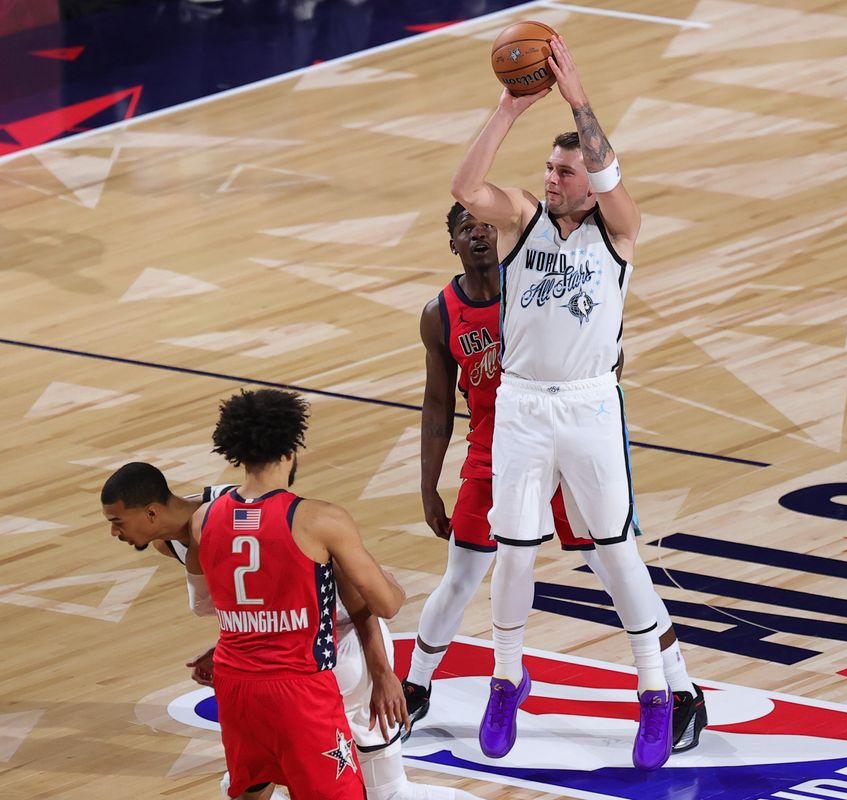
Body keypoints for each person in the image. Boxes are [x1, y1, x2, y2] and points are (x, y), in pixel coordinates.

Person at [402, 202, 706, 754]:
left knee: (617, 568)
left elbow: (606, 351)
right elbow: (437, 405)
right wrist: (428, 485)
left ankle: (679, 690)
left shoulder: (539, 276)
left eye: (486, 225)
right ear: (451, 243)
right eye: (465, 229)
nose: (478, 236)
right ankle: (417, 687)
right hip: (497, 453)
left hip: (569, 443)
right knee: (464, 575)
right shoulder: (441, 313)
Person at [450, 35, 674, 770]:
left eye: (565, 169)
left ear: (592, 179)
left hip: (587, 406)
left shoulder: (620, 230)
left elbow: (612, 179)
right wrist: (509, 109)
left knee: (616, 551)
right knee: (513, 555)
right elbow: (464, 186)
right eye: (548, 167)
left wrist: (579, 101)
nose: (551, 178)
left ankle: (653, 694)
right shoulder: (520, 219)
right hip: (520, 406)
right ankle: (506, 679)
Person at [103, 461, 484, 799]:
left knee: (385, 793)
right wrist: (229, 647)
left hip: (345, 643)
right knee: (255, 780)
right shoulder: (173, 538)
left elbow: (362, 601)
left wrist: (384, 673)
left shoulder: (234, 515)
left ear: (151, 513)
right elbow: (252, 603)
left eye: (118, 522)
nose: (114, 534)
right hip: (288, 665)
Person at [188, 388, 405, 799]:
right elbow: (387, 604)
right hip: (298, 689)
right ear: (291, 446)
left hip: (236, 684)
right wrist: (389, 578)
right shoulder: (319, 519)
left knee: (252, 790)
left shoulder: (204, 518)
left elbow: (218, 599)